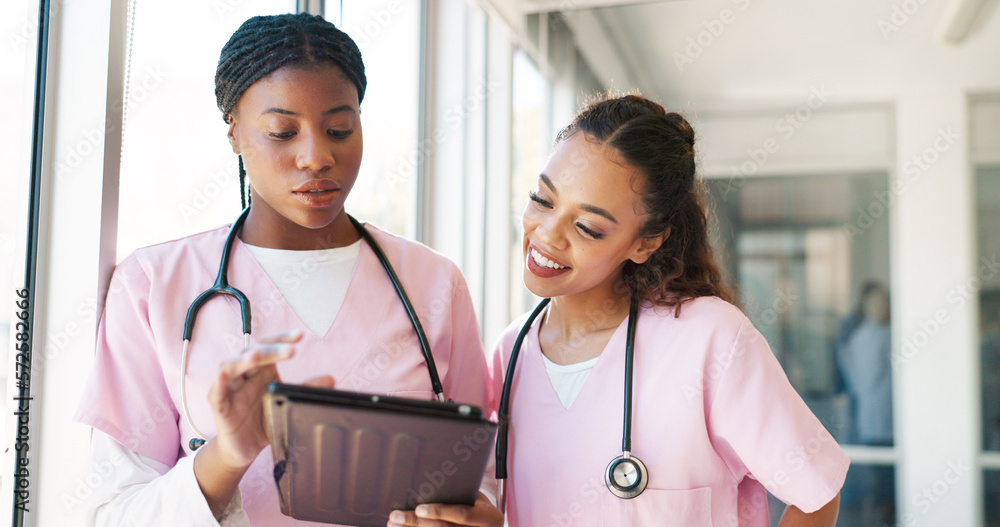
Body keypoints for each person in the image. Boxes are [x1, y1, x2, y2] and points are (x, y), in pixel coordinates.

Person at [74, 13, 495, 526]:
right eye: (282, 131)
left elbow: (481, 482)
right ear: (233, 133)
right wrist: (224, 456)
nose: (316, 157)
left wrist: (478, 517)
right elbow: (111, 514)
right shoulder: (152, 286)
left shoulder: (433, 283)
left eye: (340, 128)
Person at [397, 94, 848, 526]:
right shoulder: (509, 354)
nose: (548, 235)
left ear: (645, 242)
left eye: (588, 227)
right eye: (543, 199)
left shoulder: (710, 339)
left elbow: (817, 494)